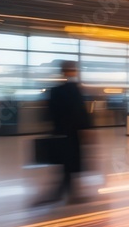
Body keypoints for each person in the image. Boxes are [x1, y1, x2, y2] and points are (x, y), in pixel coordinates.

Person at [37, 61, 91, 205]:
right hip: (72, 135)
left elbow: (48, 114)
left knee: (65, 166)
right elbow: (81, 113)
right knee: (71, 164)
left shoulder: (55, 91)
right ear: (72, 71)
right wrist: (86, 129)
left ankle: (64, 194)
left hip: (60, 133)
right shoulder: (74, 89)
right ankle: (64, 194)